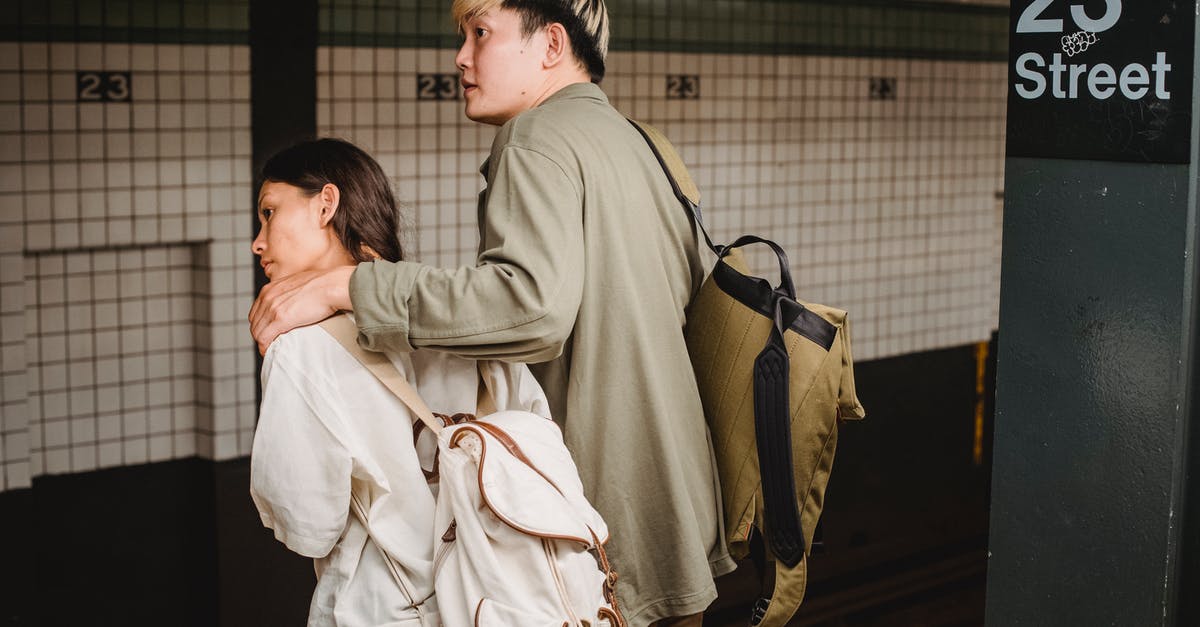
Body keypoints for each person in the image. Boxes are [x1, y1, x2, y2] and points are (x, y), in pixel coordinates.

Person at [247, 2, 735, 625]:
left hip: (587, 507)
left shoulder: (535, 137)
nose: (462, 56)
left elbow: (530, 307)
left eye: (481, 33)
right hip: (679, 494)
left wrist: (351, 287)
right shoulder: (645, 144)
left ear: (552, 44)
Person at [248, 138, 549, 627]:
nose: (258, 241)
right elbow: (535, 431)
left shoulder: (299, 348)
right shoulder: (452, 311)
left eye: (269, 213)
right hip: (501, 597)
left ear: (326, 204)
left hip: (388, 607)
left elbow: (309, 524)